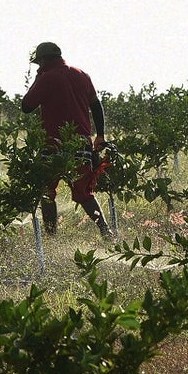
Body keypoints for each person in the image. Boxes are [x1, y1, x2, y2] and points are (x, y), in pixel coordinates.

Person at [21, 41, 113, 240]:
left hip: (52, 145)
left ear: (43, 60)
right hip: (81, 144)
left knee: (47, 191)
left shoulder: (46, 78)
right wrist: (100, 135)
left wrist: (38, 78)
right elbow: (96, 106)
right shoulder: (81, 74)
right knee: (85, 193)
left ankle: (51, 236)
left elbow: (26, 106)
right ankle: (106, 232)